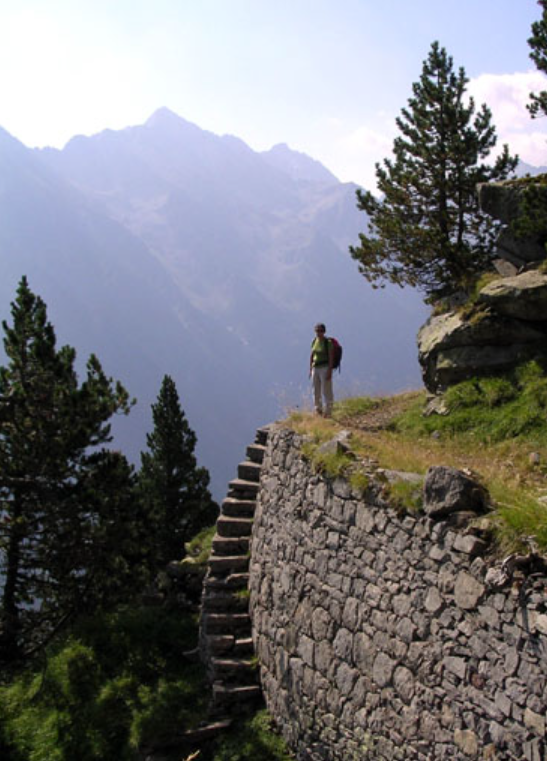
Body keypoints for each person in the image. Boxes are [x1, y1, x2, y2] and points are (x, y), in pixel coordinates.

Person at [309, 323, 334, 416]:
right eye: (317, 331)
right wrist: (310, 368)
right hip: (315, 368)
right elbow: (312, 354)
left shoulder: (328, 342)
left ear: (324, 331)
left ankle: (328, 411)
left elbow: (331, 357)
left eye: (320, 331)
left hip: (325, 368)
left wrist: (330, 371)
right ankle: (318, 409)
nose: (318, 333)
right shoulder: (314, 341)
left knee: (326, 390)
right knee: (316, 390)